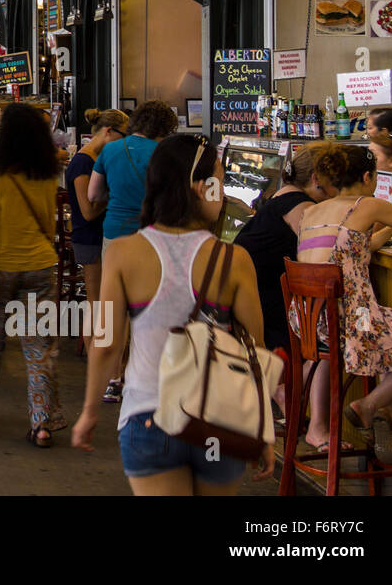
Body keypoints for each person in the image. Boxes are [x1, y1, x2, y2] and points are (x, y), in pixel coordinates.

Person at [71, 134, 276, 494]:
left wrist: (90, 411)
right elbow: (254, 351)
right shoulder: (234, 260)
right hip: (220, 421)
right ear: (199, 187)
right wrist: (263, 427)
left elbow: (105, 344)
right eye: (218, 181)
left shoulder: (122, 253)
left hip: (149, 417)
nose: (223, 192)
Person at [295, 143, 392, 452]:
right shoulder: (369, 204)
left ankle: (325, 425)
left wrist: (386, 229)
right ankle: (371, 405)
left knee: (388, 334)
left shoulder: (311, 211)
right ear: (367, 177)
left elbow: (358, 246)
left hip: (312, 321)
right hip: (357, 321)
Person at [0, 102, 64, 443]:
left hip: (0, 267)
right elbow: (50, 225)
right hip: (40, 265)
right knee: (39, 348)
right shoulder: (48, 175)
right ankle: (42, 422)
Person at [234, 142, 336, 449]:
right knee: (323, 330)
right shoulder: (303, 208)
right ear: (318, 178)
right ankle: (293, 398)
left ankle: (284, 392)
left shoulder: (283, 194)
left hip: (247, 287)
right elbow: (324, 256)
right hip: (263, 293)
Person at [67, 109, 127, 395]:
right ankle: (99, 374)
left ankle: (102, 373)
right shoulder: (82, 163)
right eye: (124, 135)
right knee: (97, 305)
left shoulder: (94, 160)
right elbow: (88, 210)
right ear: (109, 132)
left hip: (96, 238)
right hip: (90, 238)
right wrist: (118, 196)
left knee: (101, 305)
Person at [89, 99, 179, 253]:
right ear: (164, 128)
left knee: (114, 277)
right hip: (151, 236)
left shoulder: (110, 149)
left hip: (114, 232)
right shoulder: (165, 153)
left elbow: (93, 195)